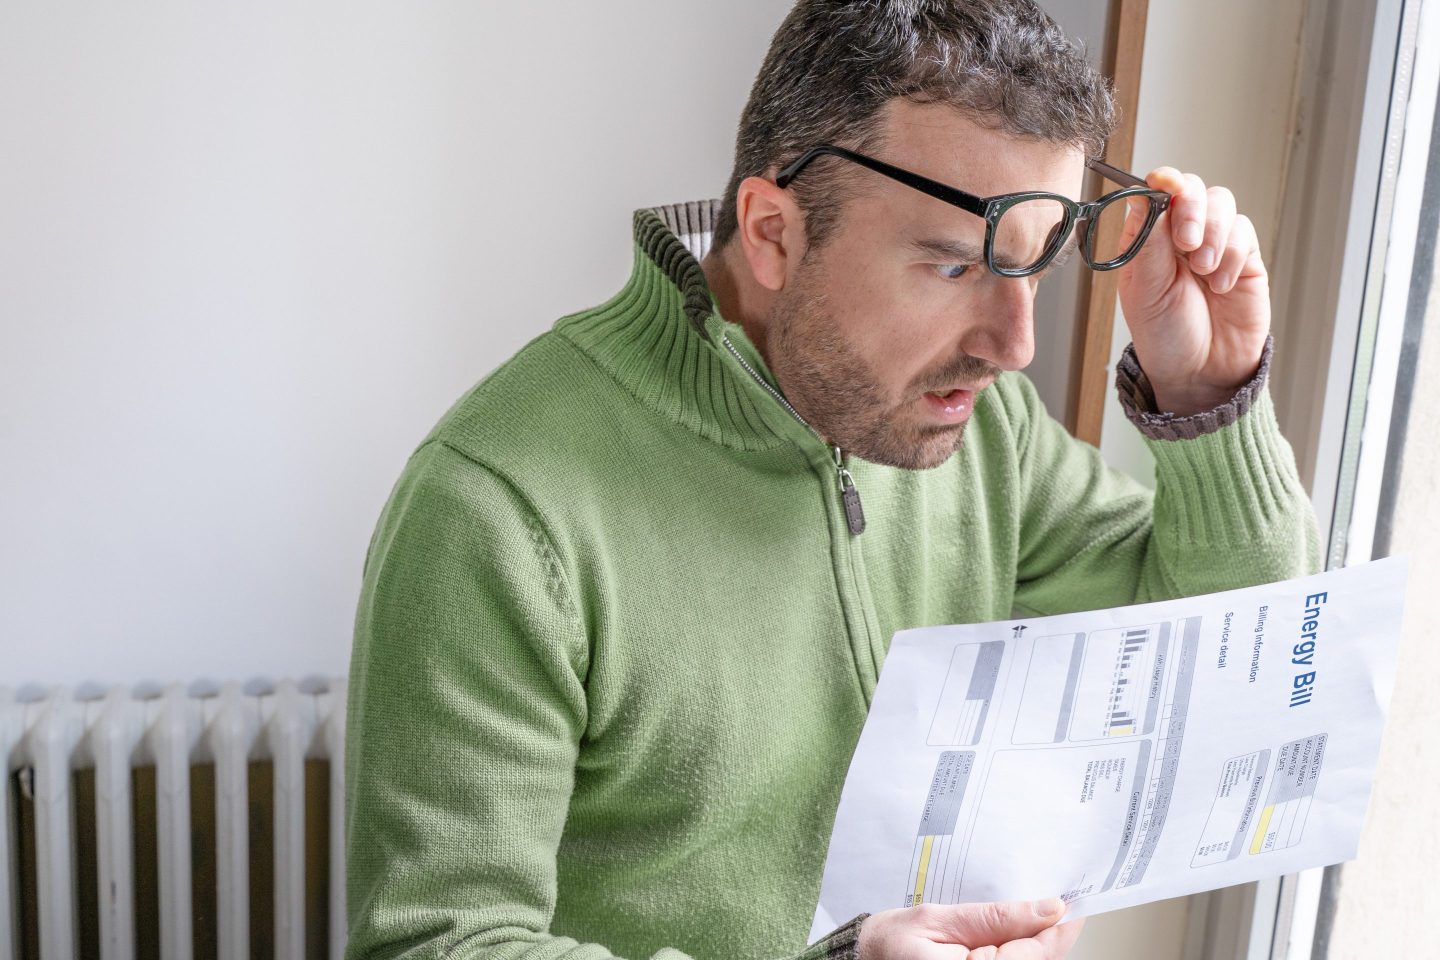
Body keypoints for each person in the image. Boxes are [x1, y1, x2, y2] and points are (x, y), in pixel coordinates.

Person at [343, 2, 1319, 959]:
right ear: (773, 231)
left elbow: (1231, 678)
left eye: (1036, 270)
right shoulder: (497, 508)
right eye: (952, 268)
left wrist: (1208, 395)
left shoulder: (985, 433)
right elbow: (436, 943)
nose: (1012, 348)